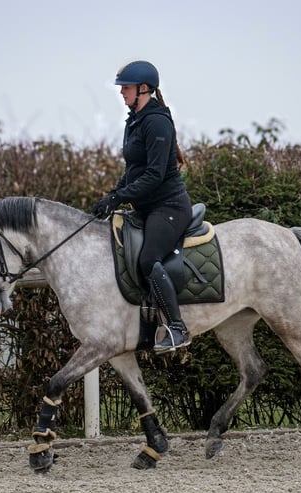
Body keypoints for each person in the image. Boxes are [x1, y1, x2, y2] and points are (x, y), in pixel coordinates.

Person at [91, 60, 192, 353]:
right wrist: (113, 194)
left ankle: (177, 328)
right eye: (122, 88)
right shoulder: (134, 120)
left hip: (169, 206)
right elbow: (135, 168)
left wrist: (120, 197)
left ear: (144, 89)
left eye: (126, 87)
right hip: (146, 208)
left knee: (148, 260)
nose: (121, 92)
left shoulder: (157, 121)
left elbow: (155, 175)